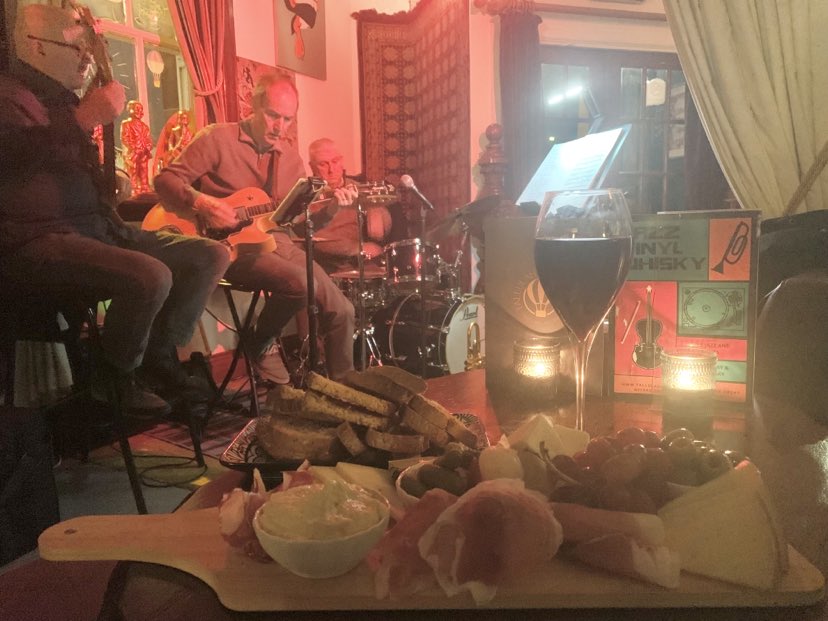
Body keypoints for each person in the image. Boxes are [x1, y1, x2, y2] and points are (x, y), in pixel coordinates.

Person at [0, 4, 231, 416]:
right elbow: (13, 155)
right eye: (76, 48)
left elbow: (63, 170)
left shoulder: (61, 100)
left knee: (210, 254)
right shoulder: (10, 95)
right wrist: (82, 118)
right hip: (34, 240)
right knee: (151, 275)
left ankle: (157, 357)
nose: (87, 59)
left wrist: (106, 185)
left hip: (95, 229)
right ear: (36, 45)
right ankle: (113, 378)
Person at [154, 74, 358, 384]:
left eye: (288, 119)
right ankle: (261, 341)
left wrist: (332, 206)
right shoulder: (218, 139)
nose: (280, 127)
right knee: (302, 284)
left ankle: (344, 390)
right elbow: (165, 181)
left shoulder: (290, 159)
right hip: (229, 246)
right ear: (254, 106)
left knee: (342, 310)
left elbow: (299, 224)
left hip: (279, 242)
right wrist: (203, 204)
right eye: (273, 115)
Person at [302, 137, 392, 275]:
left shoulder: (358, 188)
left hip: (361, 263)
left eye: (335, 161)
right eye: (323, 164)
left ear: (342, 161)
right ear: (312, 166)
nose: (331, 169)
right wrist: (355, 248)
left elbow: (381, 232)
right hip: (324, 266)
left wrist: (378, 213)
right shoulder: (305, 196)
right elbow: (310, 238)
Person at [120, 100, 153, 195]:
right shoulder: (126, 124)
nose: (139, 111)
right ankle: (133, 189)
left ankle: (144, 187)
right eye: (136, 109)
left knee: (144, 170)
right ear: (130, 110)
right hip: (133, 154)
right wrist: (134, 148)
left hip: (144, 153)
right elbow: (125, 138)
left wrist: (148, 147)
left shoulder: (145, 127)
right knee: (133, 171)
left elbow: (148, 140)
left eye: (141, 109)